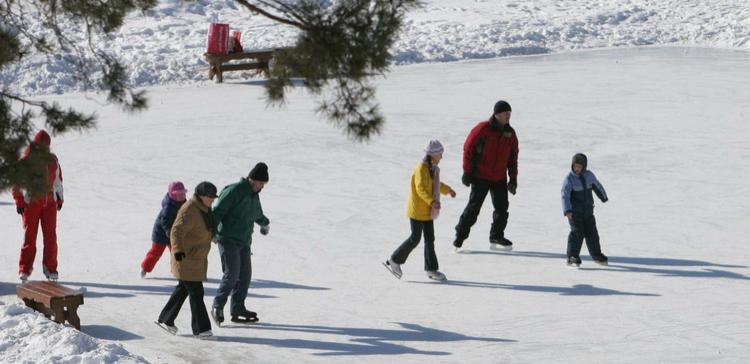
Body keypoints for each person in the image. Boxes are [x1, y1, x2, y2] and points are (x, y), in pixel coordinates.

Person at [384, 140, 456, 281]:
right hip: (417, 210)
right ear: (433, 155)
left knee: (430, 240)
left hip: (428, 211)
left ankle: (431, 269)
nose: (441, 157)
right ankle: (394, 260)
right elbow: (420, 188)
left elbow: (435, 184)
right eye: (440, 154)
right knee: (415, 239)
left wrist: (448, 190)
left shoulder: (432, 169)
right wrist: (432, 201)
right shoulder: (421, 169)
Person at [453, 100, 519, 252]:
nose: (508, 115)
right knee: (473, 208)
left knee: (502, 209)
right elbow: (468, 149)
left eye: (509, 113)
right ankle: (459, 237)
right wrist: (467, 172)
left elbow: (513, 158)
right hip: (480, 176)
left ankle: (496, 236)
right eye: (505, 112)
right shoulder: (483, 129)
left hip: (499, 178)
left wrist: (513, 179)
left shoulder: (510, 133)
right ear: (497, 114)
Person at [155, 181, 217, 337]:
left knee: (183, 289)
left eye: (213, 197)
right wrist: (177, 250)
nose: (212, 200)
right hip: (185, 258)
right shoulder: (189, 210)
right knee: (196, 292)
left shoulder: (204, 208)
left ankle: (165, 319)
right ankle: (201, 329)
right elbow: (176, 231)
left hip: (195, 258)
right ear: (201, 196)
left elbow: (205, 228)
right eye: (210, 197)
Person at [211, 162, 270, 325]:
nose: (263, 187)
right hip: (227, 238)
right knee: (232, 274)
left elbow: (256, 213)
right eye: (262, 184)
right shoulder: (234, 190)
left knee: (245, 276)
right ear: (253, 179)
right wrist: (212, 232)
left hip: (244, 240)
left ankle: (237, 308)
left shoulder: (253, 195)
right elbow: (217, 211)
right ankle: (217, 306)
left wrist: (264, 223)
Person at [12, 130, 64, 282]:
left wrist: (59, 199)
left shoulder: (53, 161)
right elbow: (16, 183)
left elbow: (58, 181)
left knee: (51, 237)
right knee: (30, 238)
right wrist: (20, 201)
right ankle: (25, 269)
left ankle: (51, 269)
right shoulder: (26, 161)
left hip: (49, 203)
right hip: (31, 203)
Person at [561, 153, 609, 267]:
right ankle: (572, 256)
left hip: (588, 212)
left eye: (579, 166)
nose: (576, 169)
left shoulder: (589, 176)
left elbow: (597, 185)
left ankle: (596, 255)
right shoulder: (569, 179)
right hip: (574, 214)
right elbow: (565, 195)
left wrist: (603, 196)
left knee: (593, 234)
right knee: (577, 233)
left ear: (584, 167)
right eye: (574, 166)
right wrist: (567, 210)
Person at [140, 181, 188, 278]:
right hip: (160, 234)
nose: (182, 196)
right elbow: (165, 222)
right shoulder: (168, 208)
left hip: (174, 233)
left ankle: (180, 270)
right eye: (179, 194)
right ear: (172, 195)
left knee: (177, 252)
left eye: (183, 193)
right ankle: (145, 267)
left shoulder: (184, 204)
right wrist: (169, 232)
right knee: (156, 252)